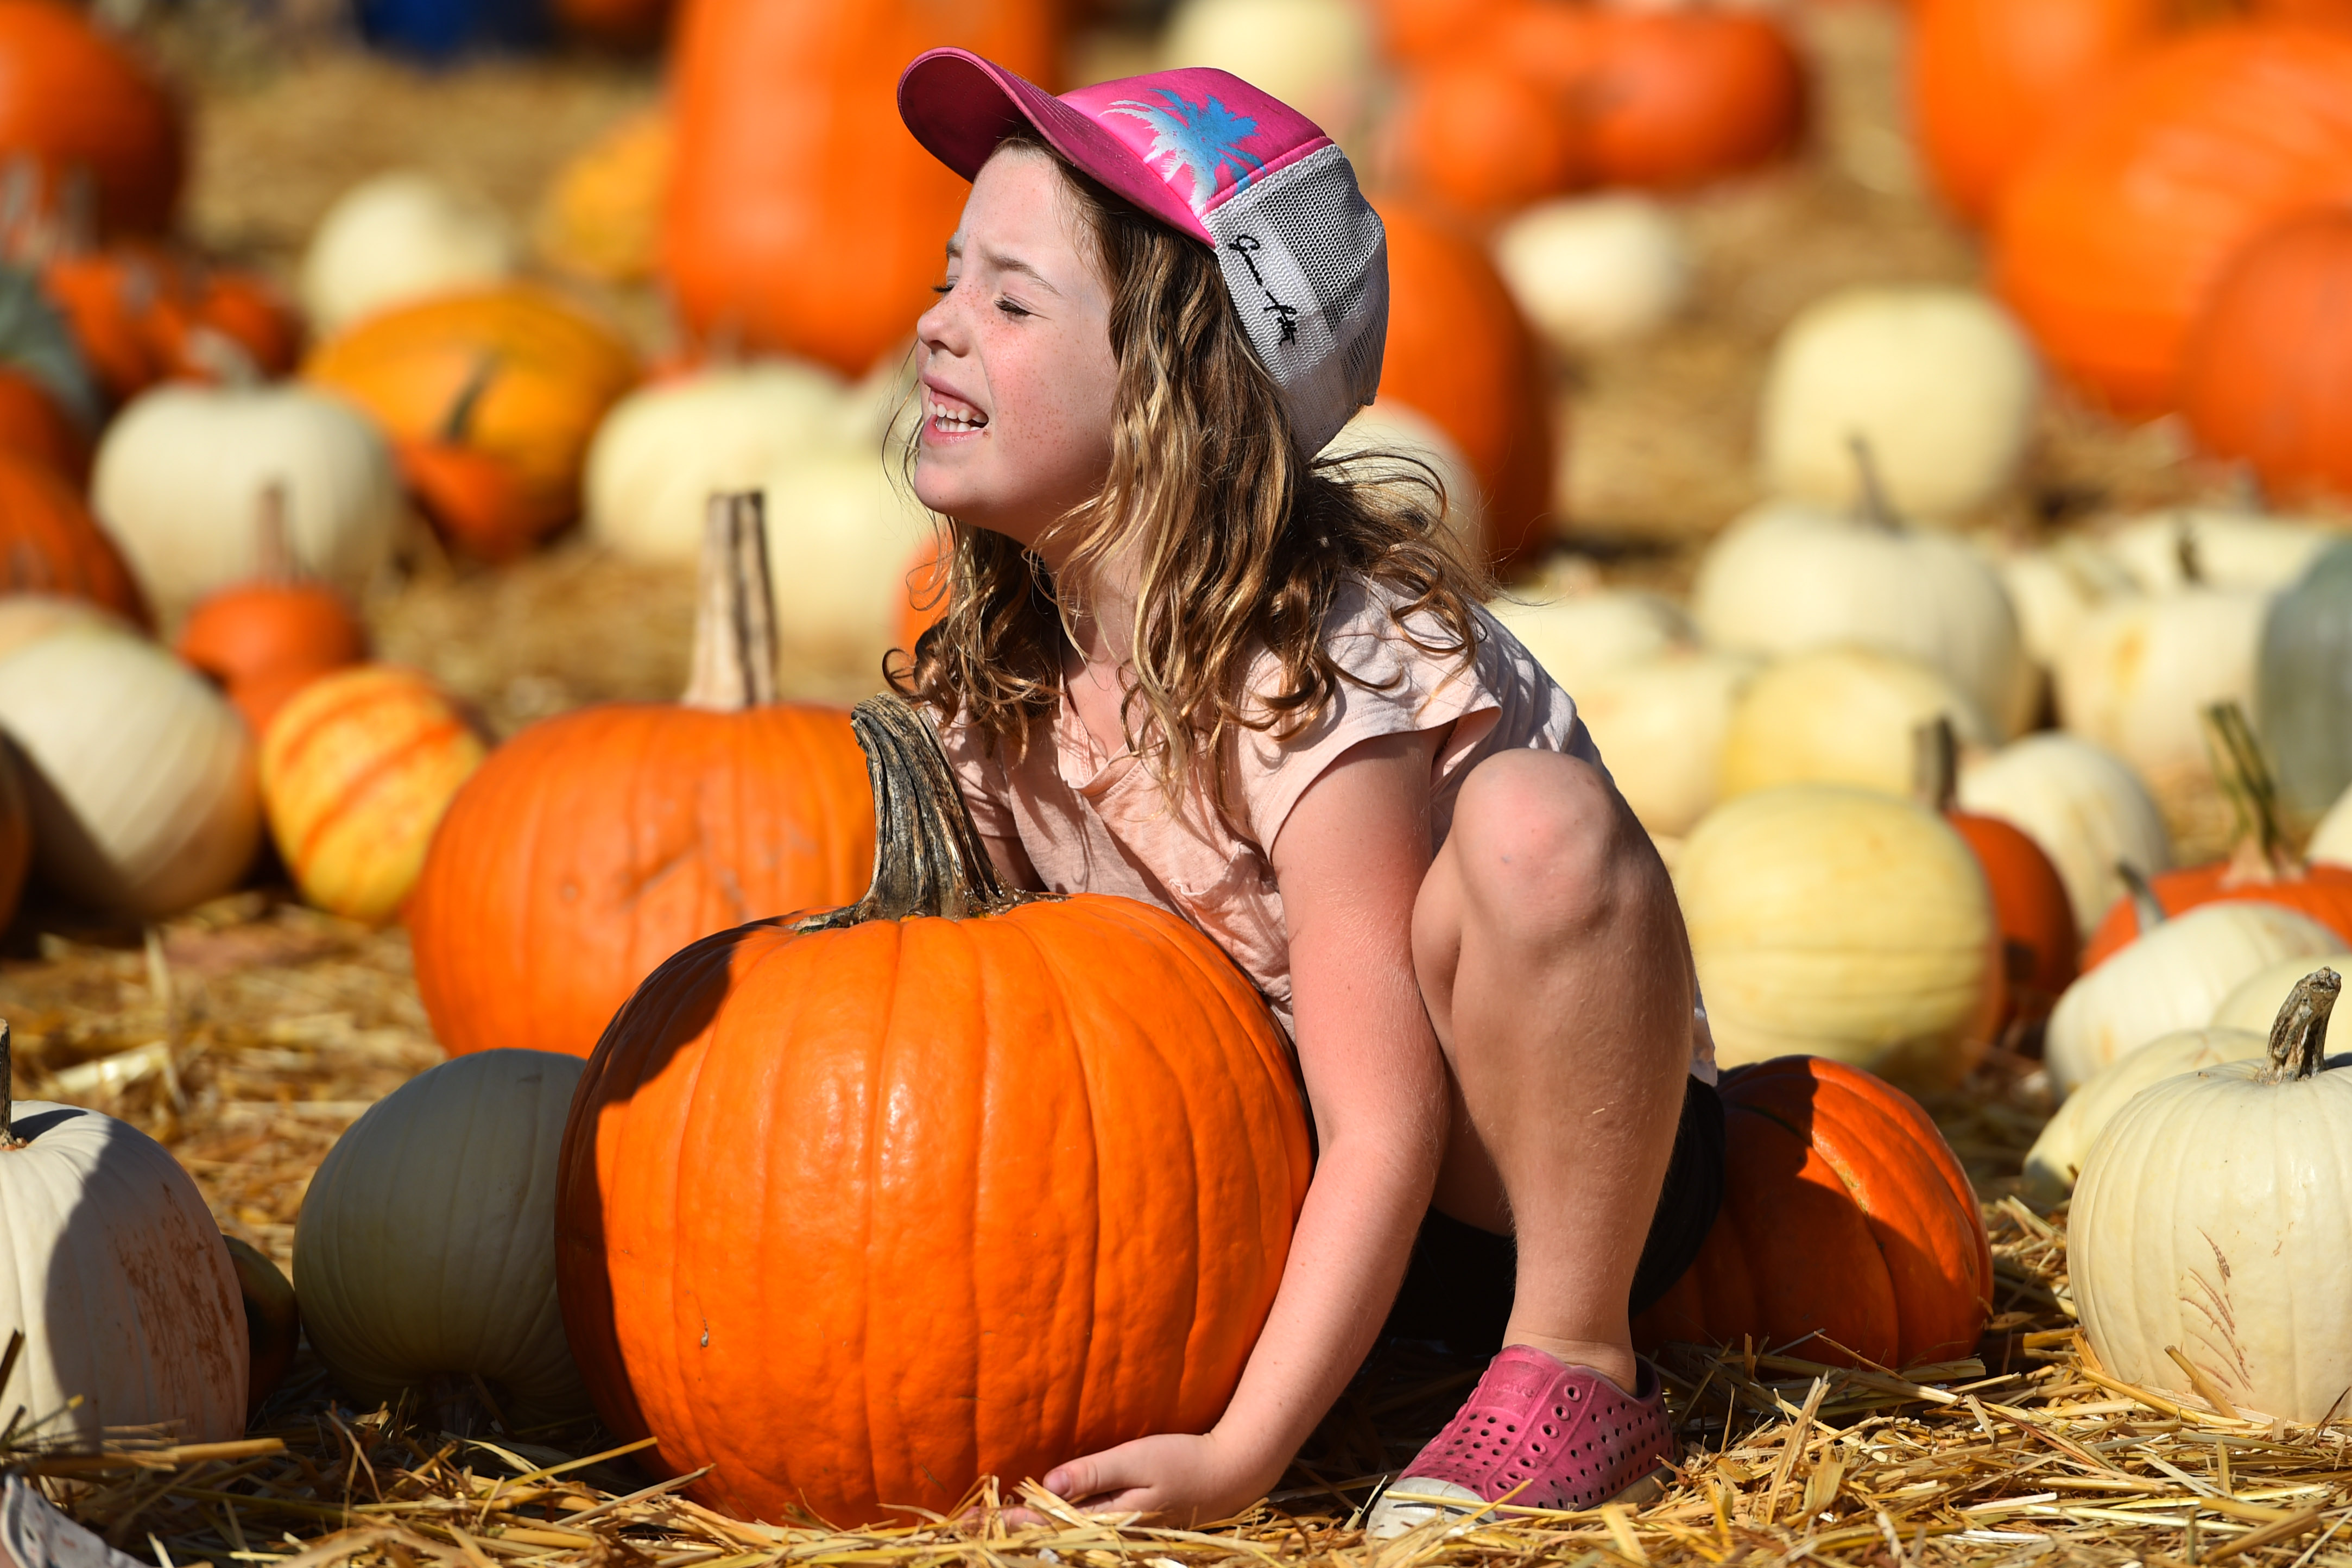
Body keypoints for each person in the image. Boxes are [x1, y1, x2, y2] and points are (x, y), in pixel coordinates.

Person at [890, 49, 1722, 1536]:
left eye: (1009, 302)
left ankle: (1575, 1363)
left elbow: (1389, 1116)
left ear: (1177, 402)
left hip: (1512, 1171)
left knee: (1535, 825)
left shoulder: (1315, 664)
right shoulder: (995, 670)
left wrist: (1238, 1460)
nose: (937, 324)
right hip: (1284, 1194)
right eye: (953, 275)